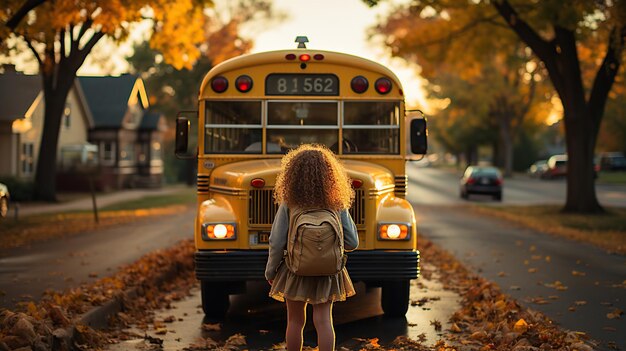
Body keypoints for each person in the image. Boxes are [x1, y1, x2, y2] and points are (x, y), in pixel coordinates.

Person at [265, 144, 359, 351]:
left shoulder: (289, 203)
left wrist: (271, 270)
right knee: (324, 321)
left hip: (295, 270)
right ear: (330, 176)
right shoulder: (336, 204)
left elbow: (277, 241)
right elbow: (353, 242)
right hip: (328, 272)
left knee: (295, 322)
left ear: (293, 175)